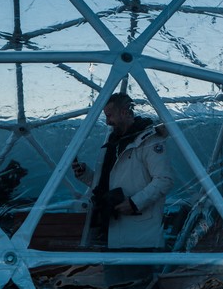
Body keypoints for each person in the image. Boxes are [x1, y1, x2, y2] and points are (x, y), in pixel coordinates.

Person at [73, 93, 174, 249]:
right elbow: (105, 184)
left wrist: (134, 203)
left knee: (134, 273)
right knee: (113, 272)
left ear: (125, 112)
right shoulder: (113, 143)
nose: (107, 122)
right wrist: (84, 174)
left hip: (139, 236)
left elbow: (164, 180)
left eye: (110, 116)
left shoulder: (150, 141)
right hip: (109, 231)